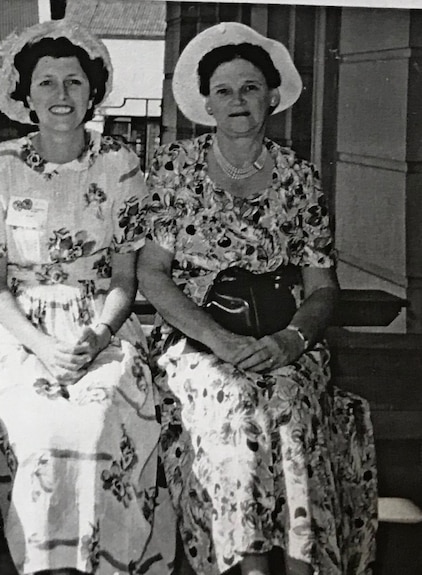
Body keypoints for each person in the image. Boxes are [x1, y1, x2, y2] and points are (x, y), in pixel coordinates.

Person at [136, 22, 377, 575]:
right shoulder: (177, 169)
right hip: (201, 343)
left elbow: (321, 285)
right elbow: (153, 272)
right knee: (236, 415)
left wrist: (293, 340)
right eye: (224, 90)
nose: (237, 100)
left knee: (290, 413)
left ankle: (301, 566)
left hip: (283, 343)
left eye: (249, 87)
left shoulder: (299, 177)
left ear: (272, 96)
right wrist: (216, 339)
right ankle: (246, 567)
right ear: (207, 103)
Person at [0, 19, 173, 575]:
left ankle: (101, 565)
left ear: (92, 91)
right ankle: (45, 567)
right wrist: (39, 345)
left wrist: (98, 334)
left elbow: (125, 282)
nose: (61, 96)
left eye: (73, 82)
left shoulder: (122, 165)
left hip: (100, 324)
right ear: (25, 95)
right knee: (39, 432)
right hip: (22, 327)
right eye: (46, 83)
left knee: (99, 420)